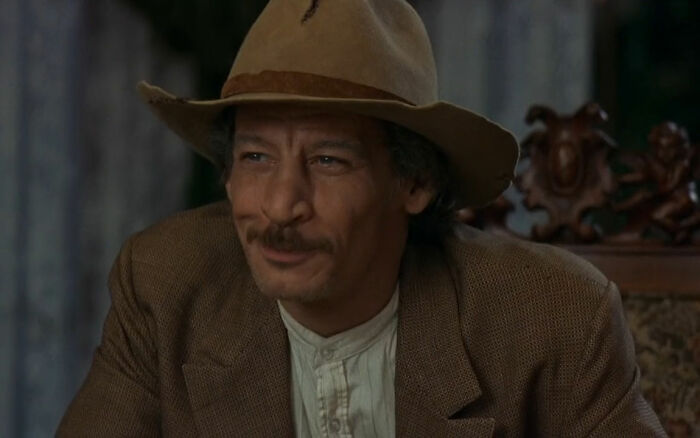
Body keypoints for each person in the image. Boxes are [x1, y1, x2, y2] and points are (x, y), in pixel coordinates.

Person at [58, 0, 666, 436]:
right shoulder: (165, 286)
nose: (281, 206)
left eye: (328, 160)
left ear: (414, 182)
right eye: (256, 158)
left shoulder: (554, 316)